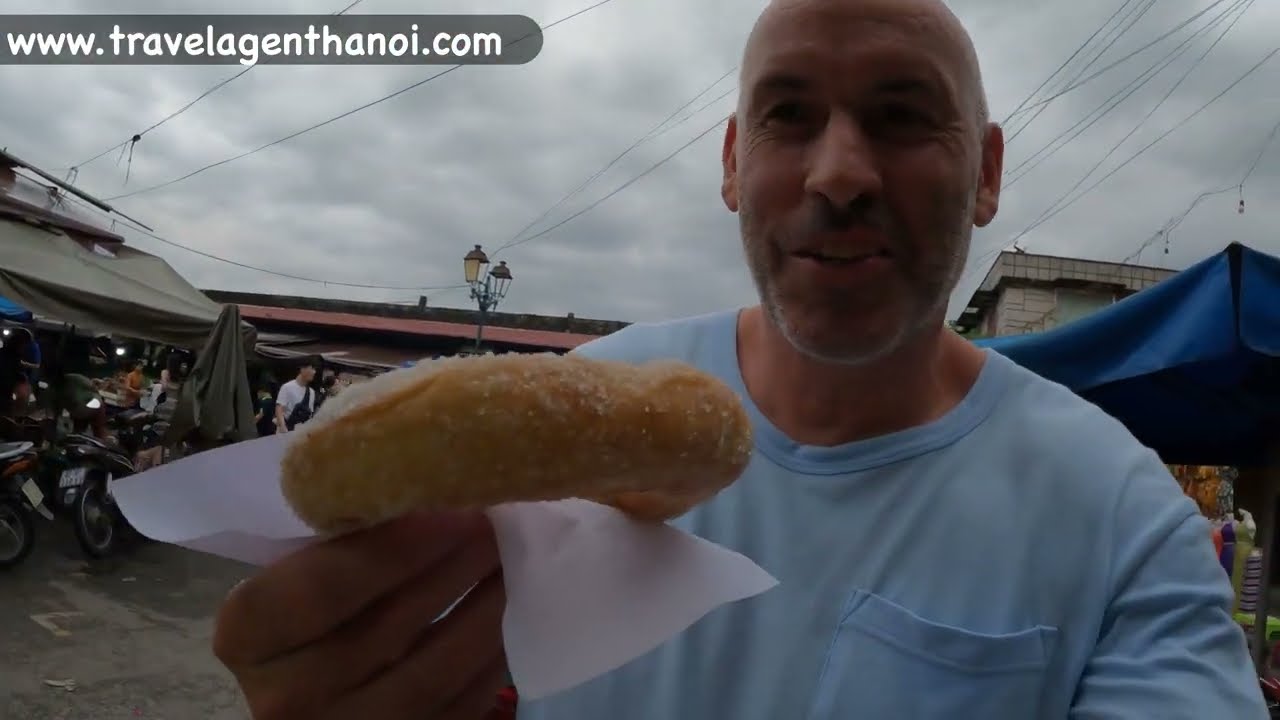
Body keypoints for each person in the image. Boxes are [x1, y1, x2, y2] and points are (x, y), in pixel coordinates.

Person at [209, 0, 1267, 717]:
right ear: (730, 162)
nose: (839, 173)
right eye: (788, 116)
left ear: (985, 171)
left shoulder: (1123, 519)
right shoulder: (555, 445)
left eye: (900, 118)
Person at [273, 362, 316, 433]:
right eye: (312, 369)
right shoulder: (287, 387)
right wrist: (283, 427)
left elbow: (309, 413)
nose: (314, 372)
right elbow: (279, 408)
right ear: (302, 369)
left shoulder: (311, 392)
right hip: (287, 429)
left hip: (302, 432)